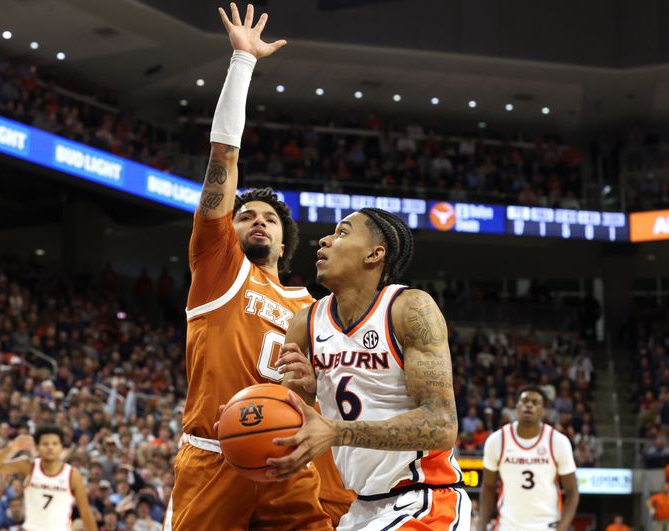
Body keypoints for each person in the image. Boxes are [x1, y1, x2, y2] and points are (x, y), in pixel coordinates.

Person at [165, 4, 345, 530]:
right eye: (246, 216)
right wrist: (242, 63)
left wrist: (313, 381)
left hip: (290, 451)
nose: (258, 222)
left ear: (287, 238)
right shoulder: (219, 268)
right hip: (216, 451)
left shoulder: (313, 308)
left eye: (270, 217)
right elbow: (224, 157)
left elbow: (334, 388)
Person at [269, 208, 469, 530]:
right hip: (361, 507)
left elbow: (441, 424)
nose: (325, 239)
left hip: (426, 500)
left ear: (375, 254)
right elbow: (289, 429)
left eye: (343, 232)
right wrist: (305, 394)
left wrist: (336, 432)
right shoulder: (305, 322)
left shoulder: (409, 308)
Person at [478, 386, 580, 531]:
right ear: (516, 406)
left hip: (547, 525)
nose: (529, 405)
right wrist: (481, 526)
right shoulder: (497, 440)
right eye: (525, 401)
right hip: (507, 526)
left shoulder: (558, 442)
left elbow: (572, 491)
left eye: (535, 402)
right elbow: (488, 487)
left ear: (543, 410)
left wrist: (562, 528)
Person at [0, 425, 98, 531]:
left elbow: (85, 511)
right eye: (45, 444)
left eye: (55, 444)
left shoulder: (72, 474)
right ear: (37, 447)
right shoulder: (28, 466)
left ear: (61, 447)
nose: (50, 447)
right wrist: (12, 448)